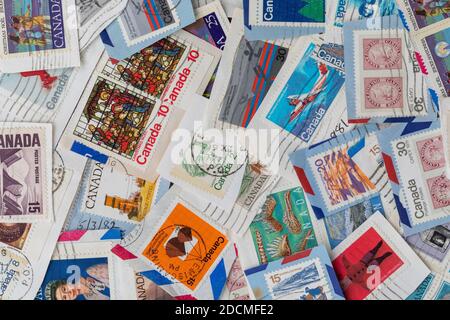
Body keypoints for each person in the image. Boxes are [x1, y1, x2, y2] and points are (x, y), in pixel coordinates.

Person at [44, 263, 110, 300]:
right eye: (64, 297)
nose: (69, 293)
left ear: (66, 283)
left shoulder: (91, 272)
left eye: (64, 289)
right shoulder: (88, 297)